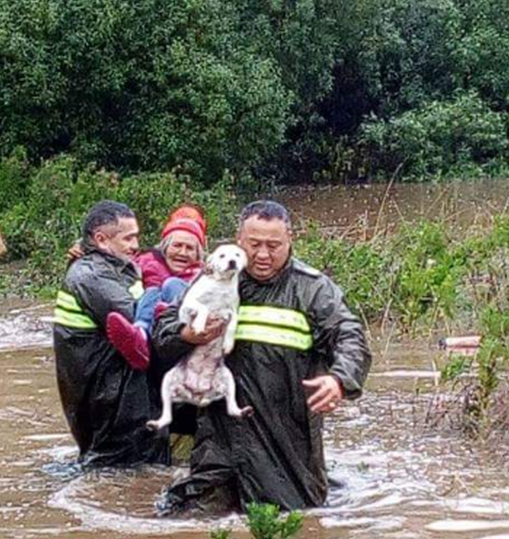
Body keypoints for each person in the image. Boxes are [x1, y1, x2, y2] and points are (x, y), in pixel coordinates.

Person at [153, 200, 372, 513]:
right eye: (254, 245)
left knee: (295, 527)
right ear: (239, 241)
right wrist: (185, 334)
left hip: (286, 442)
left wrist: (338, 379)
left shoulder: (312, 289)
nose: (263, 255)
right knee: (188, 526)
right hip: (218, 438)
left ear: (290, 240)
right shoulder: (215, 278)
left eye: (274, 245)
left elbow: (351, 336)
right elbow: (164, 325)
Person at [53, 200, 169, 468]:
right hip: (113, 402)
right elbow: (140, 320)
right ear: (102, 240)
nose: (136, 244)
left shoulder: (115, 267)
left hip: (118, 396)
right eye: (128, 238)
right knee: (122, 478)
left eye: (137, 236)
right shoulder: (92, 276)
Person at [106, 205, 207, 371]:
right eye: (177, 245)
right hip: (155, 327)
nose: (182, 252)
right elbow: (117, 262)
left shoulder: (203, 274)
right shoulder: (146, 262)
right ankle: (140, 335)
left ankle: (167, 313)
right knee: (152, 291)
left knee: (171, 285)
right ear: (165, 248)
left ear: (198, 255)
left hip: (183, 324)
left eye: (189, 248)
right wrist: (87, 251)